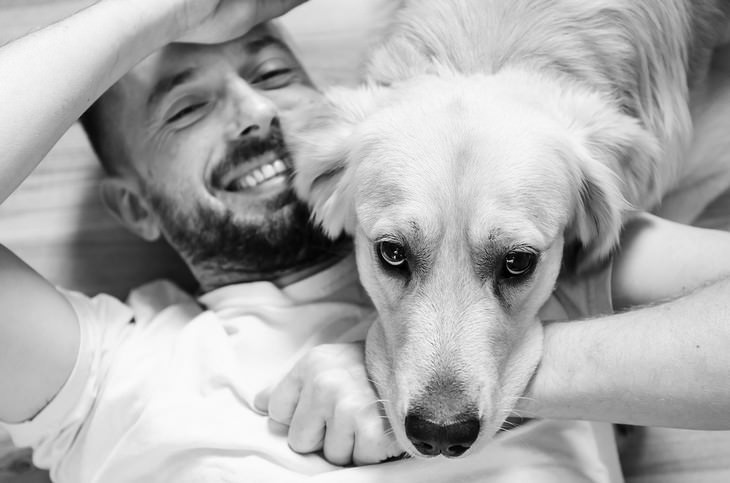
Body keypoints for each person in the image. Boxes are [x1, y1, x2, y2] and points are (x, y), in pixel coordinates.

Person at [0, 0, 728, 482]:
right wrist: (160, 11)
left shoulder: (557, 263)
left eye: (275, 74)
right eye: (186, 107)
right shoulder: (114, 368)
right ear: (134, 207)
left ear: (332, 164)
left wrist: (526, 374)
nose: (256, 111)